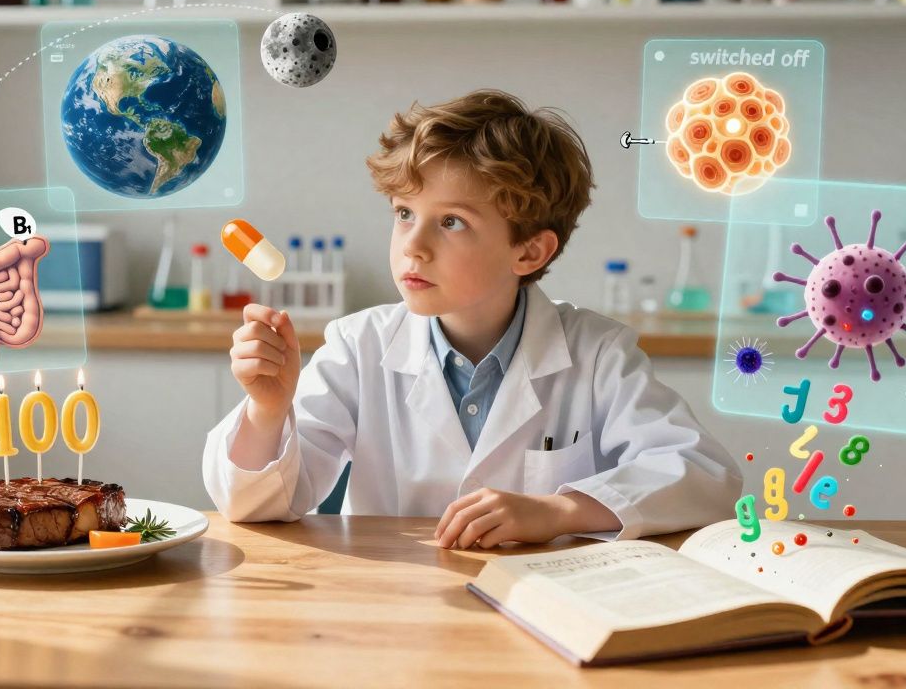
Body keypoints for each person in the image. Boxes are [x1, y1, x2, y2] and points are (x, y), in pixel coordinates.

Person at [203, 90, 741, 548]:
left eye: (452, 221)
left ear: (529, 252)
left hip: (544, 606)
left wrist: (559, 511)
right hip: (395, 613)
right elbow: (253, 506)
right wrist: (267, 410)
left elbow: (705, 475)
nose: (412, 246)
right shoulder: (357, 346)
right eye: (404, 213)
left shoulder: (598, 354)